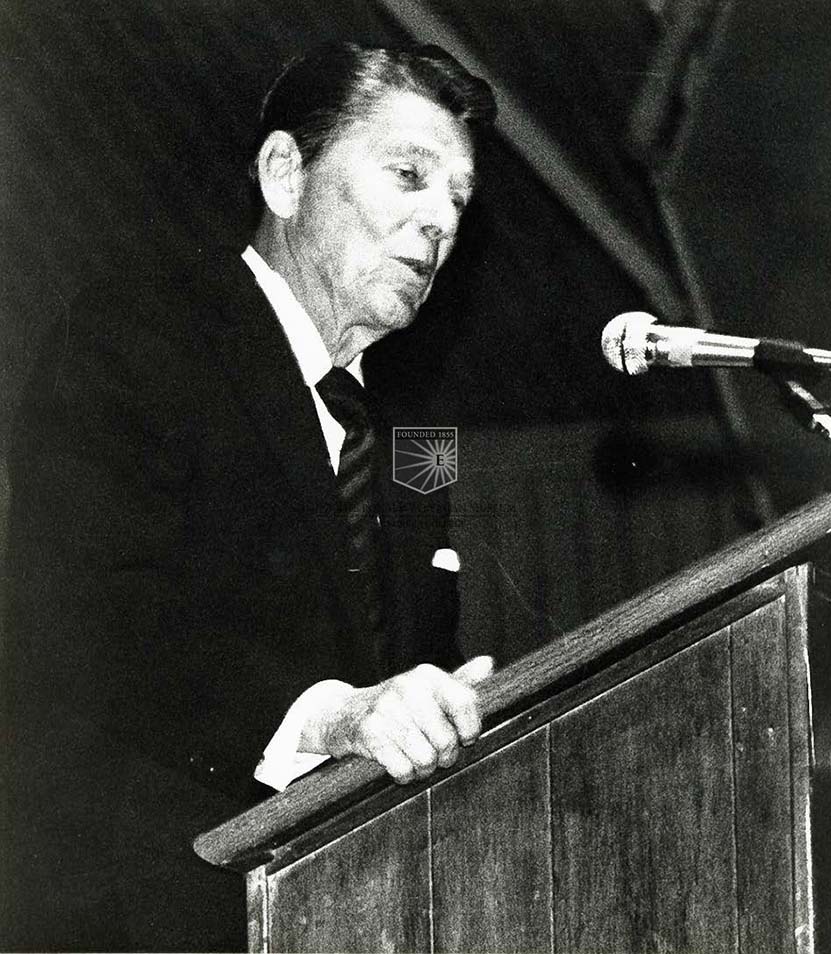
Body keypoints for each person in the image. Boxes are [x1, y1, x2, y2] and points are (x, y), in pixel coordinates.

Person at [1, 42, 496, 951]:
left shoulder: (420, 433)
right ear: (284, 175)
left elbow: (416, 658)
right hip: (146, 912)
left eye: (458, 200)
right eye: (409, 175)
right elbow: (91, 618)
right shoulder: (132, 338)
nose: (439, 222)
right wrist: (334, 717)